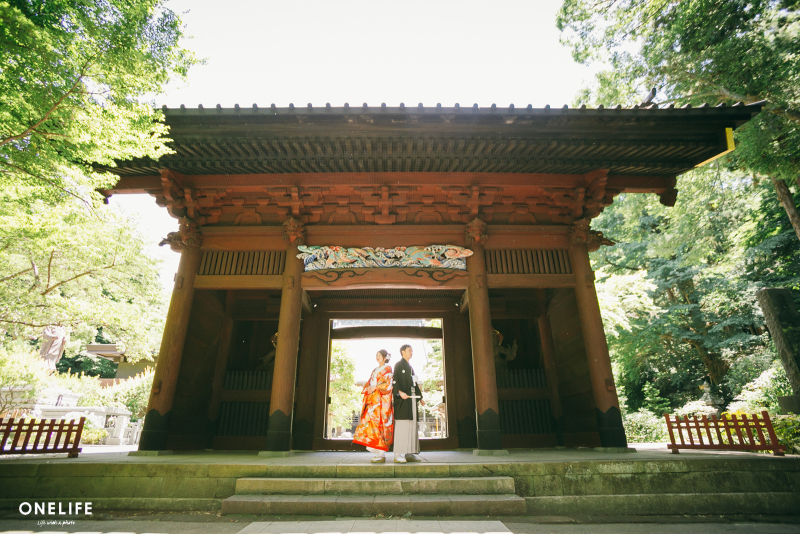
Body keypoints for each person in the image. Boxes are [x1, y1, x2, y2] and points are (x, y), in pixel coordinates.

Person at [352, 349, 394, 463]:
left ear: (385, 358)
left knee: (380, 424)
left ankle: (382, 452)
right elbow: (369, 382)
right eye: (376, 355)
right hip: (373, 401)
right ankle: (377, 449)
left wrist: (375, 387)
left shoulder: (388, 369)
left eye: (379, 355)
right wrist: (369, 388)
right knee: (371, 423)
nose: (377, 357)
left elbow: (388, 384)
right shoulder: (375, 370)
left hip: (381, 401)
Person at [392, 343, 425, 463]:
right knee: (402, 425)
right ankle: (397, 453)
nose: (411, 352)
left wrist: (420, 397)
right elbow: (394, 381)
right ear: (403, 352)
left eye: (412, 350)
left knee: (411, 426)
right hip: (402, 401)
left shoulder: (410, 368)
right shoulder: (399, 365)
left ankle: (409, 453)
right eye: (409, 350)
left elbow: (414, 384)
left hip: (411, 400)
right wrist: (399, 392)